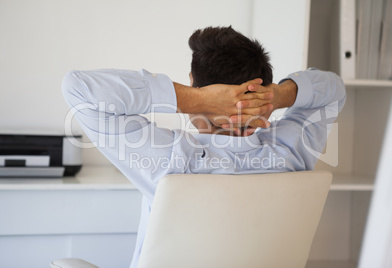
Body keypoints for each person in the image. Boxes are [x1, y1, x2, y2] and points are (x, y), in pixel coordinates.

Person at [62, 26, 346, 268]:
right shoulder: (290, 153)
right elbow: (334, 89)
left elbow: (78, 88)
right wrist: (279, 96)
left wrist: (194, 100)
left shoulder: (172, 161)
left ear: (195, 86)